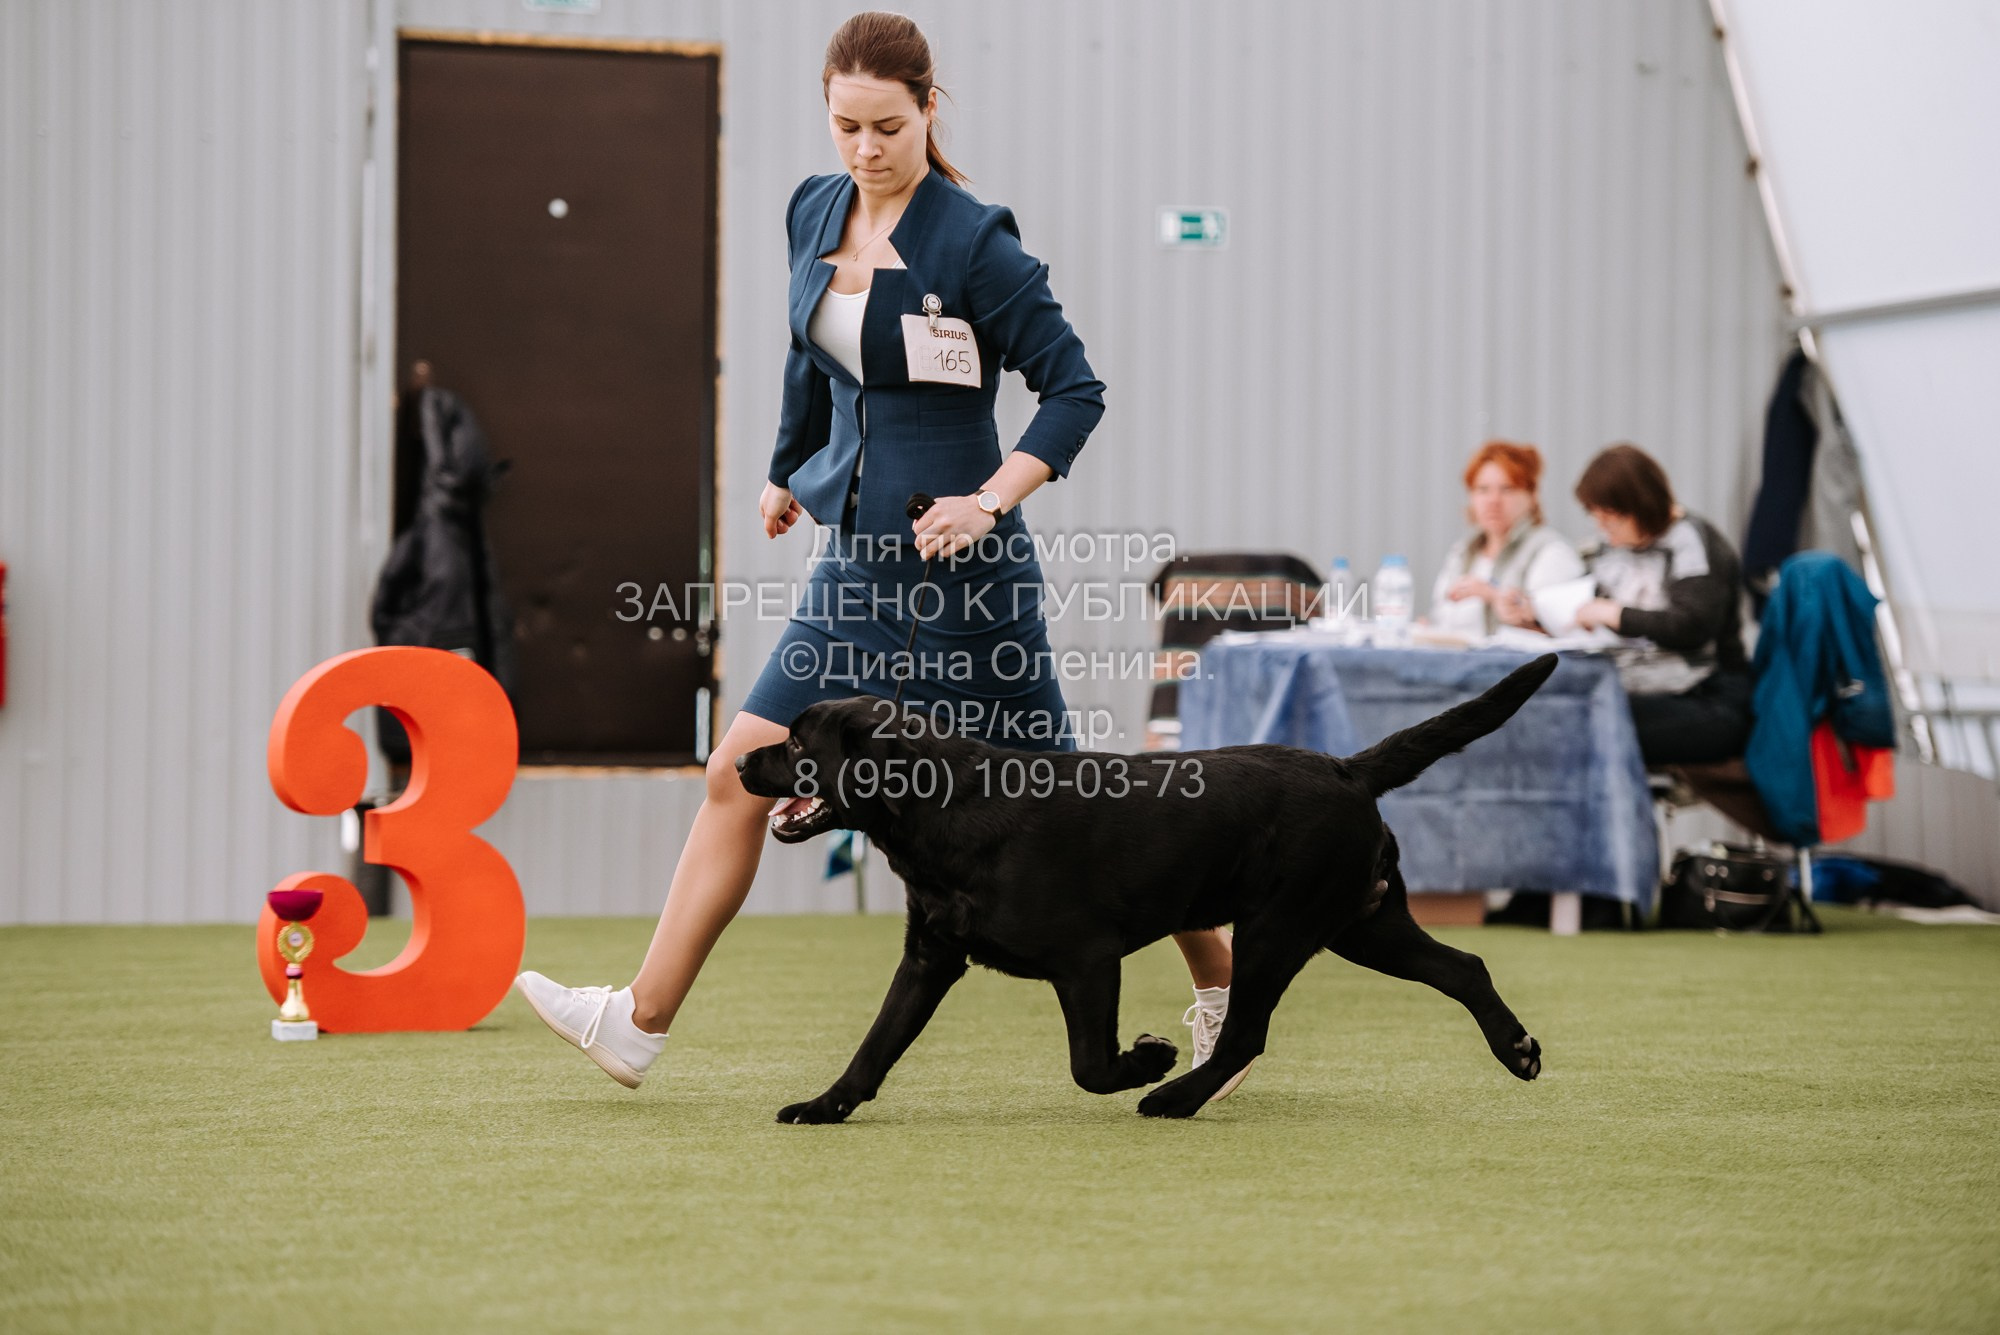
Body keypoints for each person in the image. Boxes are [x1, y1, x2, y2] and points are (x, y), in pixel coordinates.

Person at [513, 11, 1244, 1095]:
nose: (864, 149)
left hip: (969, 594)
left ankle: (1225, 1004)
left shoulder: (975, 242)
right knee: (736, 774)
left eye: (886, 126)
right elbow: (807, 358)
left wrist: (991, 501)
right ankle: (638, 1020)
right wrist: (783, 469)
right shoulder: (811, 209)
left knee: (1087, 811)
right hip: (851, 577)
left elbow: (1074, 390)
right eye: (845, 124)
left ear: (928, 109)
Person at [1571, 443, 1753, 764]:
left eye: (1610, 518)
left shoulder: (1692, 543)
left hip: (1706, 697)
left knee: (1594, 725)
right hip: (1635, 685)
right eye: (1596, 518)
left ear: (1639, 506)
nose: (1602, 528)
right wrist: (1536, 618)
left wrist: (1617, 615)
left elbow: (1691, 626)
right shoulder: (1611, 547)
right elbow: (1591, 611)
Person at [1426, 441, 1584, 638]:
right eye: (1482, 489)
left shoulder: (1551, 553)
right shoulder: (1463, 552)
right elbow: (1440, 616)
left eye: (1507, 489)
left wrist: (1493, 595)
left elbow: (1562, 630)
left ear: (1532, 495)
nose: (1493, 500)